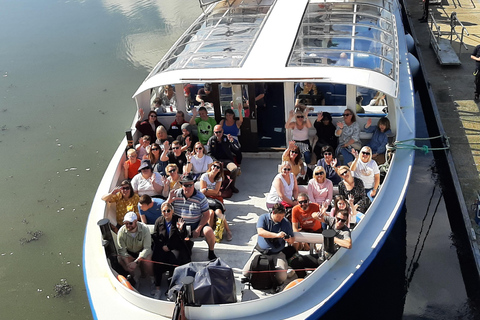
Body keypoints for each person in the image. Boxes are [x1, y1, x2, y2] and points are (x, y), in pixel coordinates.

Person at [242, 204, 295, 286]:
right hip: (260, 251)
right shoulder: (263, 218)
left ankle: (286, 271)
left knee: (281, 278)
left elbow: (292, 239)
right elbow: (261, 232)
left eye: (282, 217)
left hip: (277, 253)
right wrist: (276, 235)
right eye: (278, 217)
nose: (280, 219)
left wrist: (289, 239)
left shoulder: (286, 223)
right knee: (245, 273)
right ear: (273, 212)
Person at [290, 207, 352, 278]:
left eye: (343, 221)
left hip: (329, 261)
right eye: (338, 219)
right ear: (335, 217)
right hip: (321, 256)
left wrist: (333, 238)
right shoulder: (332, 221)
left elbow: (348, 245)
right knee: (296, 262)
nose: (340, 222)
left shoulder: (345, 231)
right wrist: (317, 215)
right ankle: (303, 278)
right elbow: (314, 216)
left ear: (346, 221)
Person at [167, 174, 217, 260]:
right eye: (185, 185)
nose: (188, 187)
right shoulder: (175, 194)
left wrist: (198, 229)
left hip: (196, 224)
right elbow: (164, 210)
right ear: (181, 185)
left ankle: (211, 252)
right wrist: (169, 200)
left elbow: (206, 215)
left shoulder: (201, 197)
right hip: (180, 225)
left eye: (190, 185)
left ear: (194, 185)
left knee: (208, 231)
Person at [151, 202, 191, 299]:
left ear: (172, 211)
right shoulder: (158, 221)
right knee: (157, 259)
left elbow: (183, 237)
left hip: (175, 246)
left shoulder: (178, 220)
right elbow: (156, 236)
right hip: (162, 247)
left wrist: (181, 229)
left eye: (168, 211)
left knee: (175, 259)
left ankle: (172, 287)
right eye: (164, 211)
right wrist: (163, 246)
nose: (166, 213)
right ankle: (157, 287)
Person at [199, 161, 232, 241]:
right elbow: (202, 191)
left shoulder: (219, 178)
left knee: (218, 213)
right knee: (210, 213)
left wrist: (207, 189)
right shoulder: (204, 176)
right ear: (211, 166)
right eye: (214, 166)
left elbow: (216, 192)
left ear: (219, 170)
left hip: (216, 200)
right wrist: (213, 192)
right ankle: (209, 233)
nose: (215, 168)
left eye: (218, 167)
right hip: (206, 199)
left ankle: (228, 231)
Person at [116, 212, 153, 280]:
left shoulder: (145, 229)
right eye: (126, 223)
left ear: (136, 221)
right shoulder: (121, 232)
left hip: (142, 251)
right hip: (130, 252)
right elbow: (122, 250)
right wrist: (128, 265)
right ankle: (134, 277)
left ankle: (152, 278)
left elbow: (147, 248)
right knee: (120, 260)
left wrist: (136, 262)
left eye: (130, 223)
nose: (128, 225)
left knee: (148, 262)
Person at [207, 125, 241, 193]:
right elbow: (209, 154)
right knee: (214, 170)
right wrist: (216, 161)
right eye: (216, 132)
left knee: (235, 169)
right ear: (214, 132)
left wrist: (232, 142)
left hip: (227, 160)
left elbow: (236, 150)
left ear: (222, 131)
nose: (218, 134)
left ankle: (231, 185)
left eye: (220, 132)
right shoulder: (211, 140)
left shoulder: (227, 139)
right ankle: (218, 186)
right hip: (216, 161)